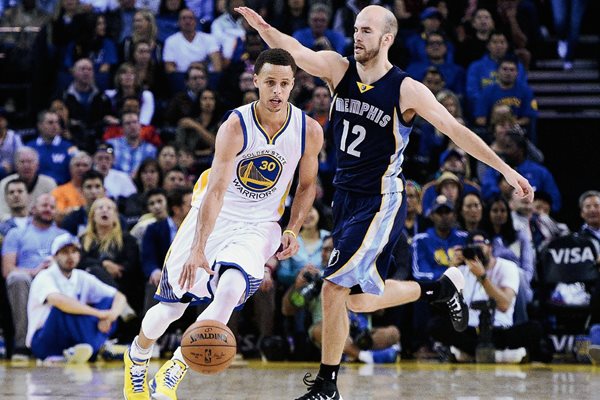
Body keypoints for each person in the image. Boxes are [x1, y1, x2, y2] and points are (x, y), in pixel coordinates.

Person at [236, 5, 534, 398]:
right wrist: (265, 29)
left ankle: (326, 385)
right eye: (356, 29)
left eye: (366, 31)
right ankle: (437, 290)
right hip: (345, 197)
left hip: (380, 199)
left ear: (387, 38)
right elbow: (293, 50)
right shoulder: (337, 69)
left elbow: (455, 130)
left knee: (332, 288)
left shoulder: (405, 88)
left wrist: (505, 170)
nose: (357, 36)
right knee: (357, 302)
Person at [122, 48, 323, 399]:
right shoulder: (235, 125)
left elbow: (307, 187)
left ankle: (175, 369)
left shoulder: (308, 130)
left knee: (230, 290)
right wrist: (198, 247)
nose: (277, 91)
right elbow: (215, 191)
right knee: (172, 307)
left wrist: (292, 227)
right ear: (256, 82)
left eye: (285, 84)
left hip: (259, 223)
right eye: (270, 83)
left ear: (294, 85)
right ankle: (137, 357)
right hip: (214, 213)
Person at [26, 233, 127, 363]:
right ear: (55, 256)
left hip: (72, 336)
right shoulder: (44, 276)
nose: (70, 256)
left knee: (108, 302)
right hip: (44, 340)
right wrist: (99, 314)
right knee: (62, 310)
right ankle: (98, 347)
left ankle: (81, 349)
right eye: (65, 252)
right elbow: (60, 302)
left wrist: (110, 316)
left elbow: (119, 296)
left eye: (74, 252)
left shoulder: (82, 276)